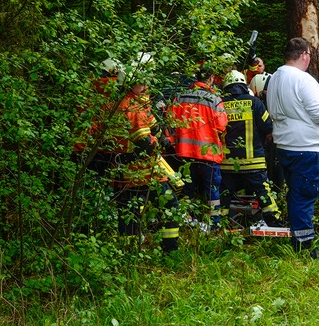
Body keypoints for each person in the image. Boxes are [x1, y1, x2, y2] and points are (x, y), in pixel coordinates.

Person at [266, 37, 319, 260]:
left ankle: (297, 237)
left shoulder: (275, 77)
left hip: (285, 146)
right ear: (304, 54)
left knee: (295, 195)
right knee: (304, 197)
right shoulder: (304, 80)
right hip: (306, 148)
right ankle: (304, 248)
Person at [105, 53, 180, 253]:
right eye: (142, 83)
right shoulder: (132, 107)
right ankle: (170, 251)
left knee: (128, 214)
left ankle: (128, 255)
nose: (146, 86)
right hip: (144, 170)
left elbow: (152, 125)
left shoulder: (128, 102)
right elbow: (144, 141)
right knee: (170, 205)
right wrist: (159, 144)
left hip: (124, 172)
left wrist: (162, 136)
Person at [219, 70, 282, 227]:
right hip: (253, 161)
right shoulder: (254, 102)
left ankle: (221, 224)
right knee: (262, 191)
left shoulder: (219, 103)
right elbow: (268, 126)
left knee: (225, 194)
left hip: (227, 163)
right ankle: (274, 220)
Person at [170, 62, 228, 228]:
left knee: (187, 190)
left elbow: (171, 121)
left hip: (184, 153)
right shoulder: (214, 99)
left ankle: (187, 222)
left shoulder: (180, 96)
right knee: (212, 192)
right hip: (208, 154)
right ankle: (214, 224)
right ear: (210, 79)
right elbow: (221, 126)